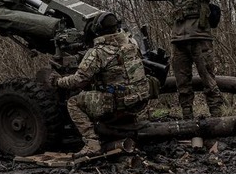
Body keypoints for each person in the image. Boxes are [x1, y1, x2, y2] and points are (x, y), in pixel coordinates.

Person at [51, 13, 157, 158]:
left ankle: (92, 144)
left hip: (118, 103)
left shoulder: (98, 52)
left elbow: (78, 81)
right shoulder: (132, 42)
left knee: (73, 102)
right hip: (140, 99)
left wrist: (58, 81)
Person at [143, 0, 226, 119]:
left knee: (208, 80)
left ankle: (217, 118)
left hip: (200, 38)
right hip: (179, 40)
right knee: (182, 82)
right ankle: (188, 117)